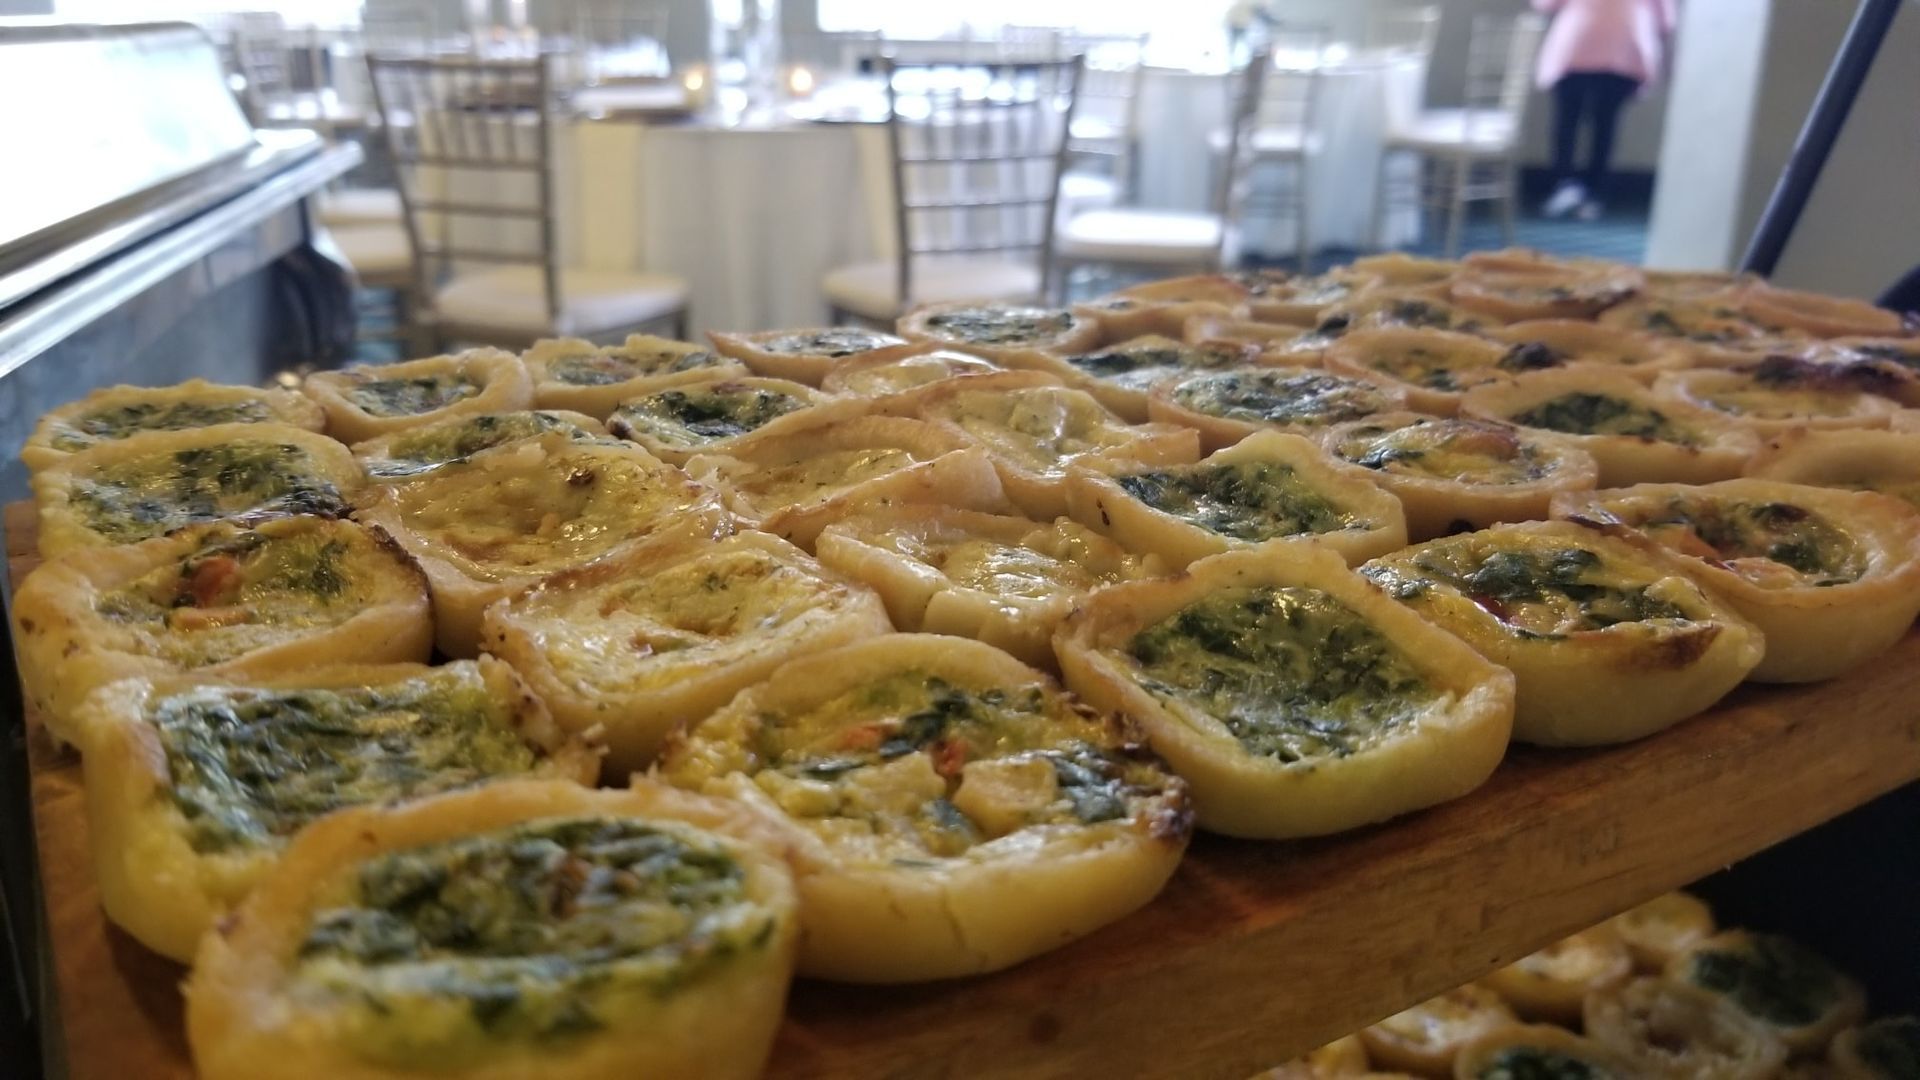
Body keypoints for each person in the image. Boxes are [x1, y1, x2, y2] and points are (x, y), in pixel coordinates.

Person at [1532, 0, 1677, 221]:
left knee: (1573, 123)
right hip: (1618, 43)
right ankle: (1589, 192)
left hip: (1586, 41)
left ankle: (1572, 187)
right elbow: (1665, 19)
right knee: (1601, 125)